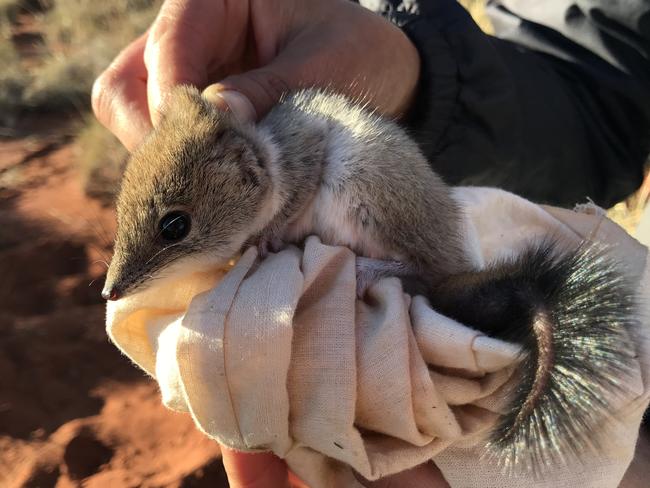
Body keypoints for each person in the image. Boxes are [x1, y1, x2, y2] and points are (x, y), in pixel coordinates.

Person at [92, 1, 650, 486]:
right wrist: (420, 70)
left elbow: (305, 180)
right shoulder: (243, 179)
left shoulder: (271, 168)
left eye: (174, 230)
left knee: (356, 159)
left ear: (243, 170)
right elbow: (599, 83)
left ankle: (410, 279)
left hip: (394, 225)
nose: (121, 279)